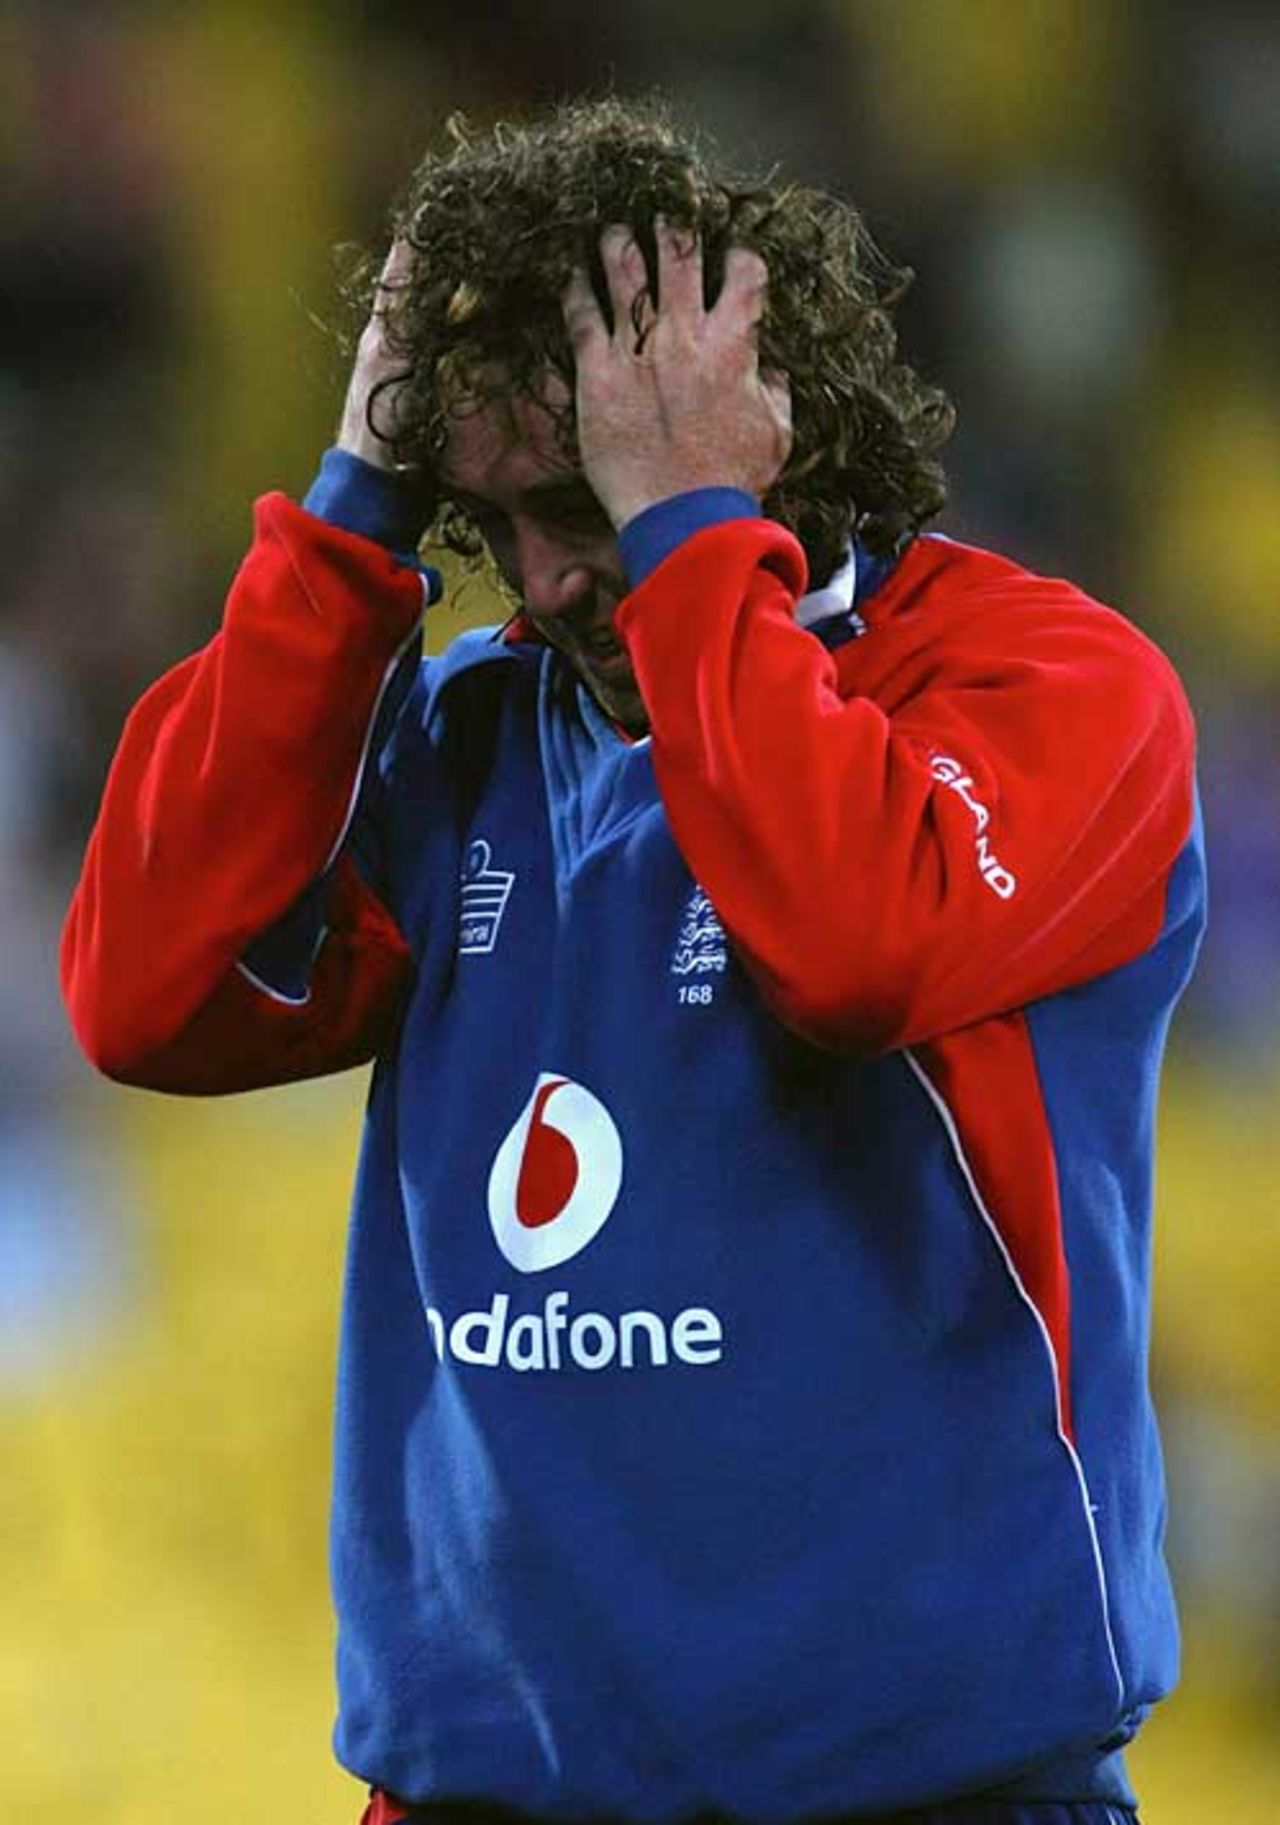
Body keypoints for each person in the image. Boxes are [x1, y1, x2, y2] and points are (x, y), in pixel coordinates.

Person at [62, 97, 1206, 1825]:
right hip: (478, 1795)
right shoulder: (465, 733)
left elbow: (854, 947)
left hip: (933, 1796)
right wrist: (355, 510)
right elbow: (145, 991)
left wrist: (683, 531)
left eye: (586, 494)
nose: (543, 575)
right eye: (494, 510)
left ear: (762, 423)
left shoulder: (1050, 689)